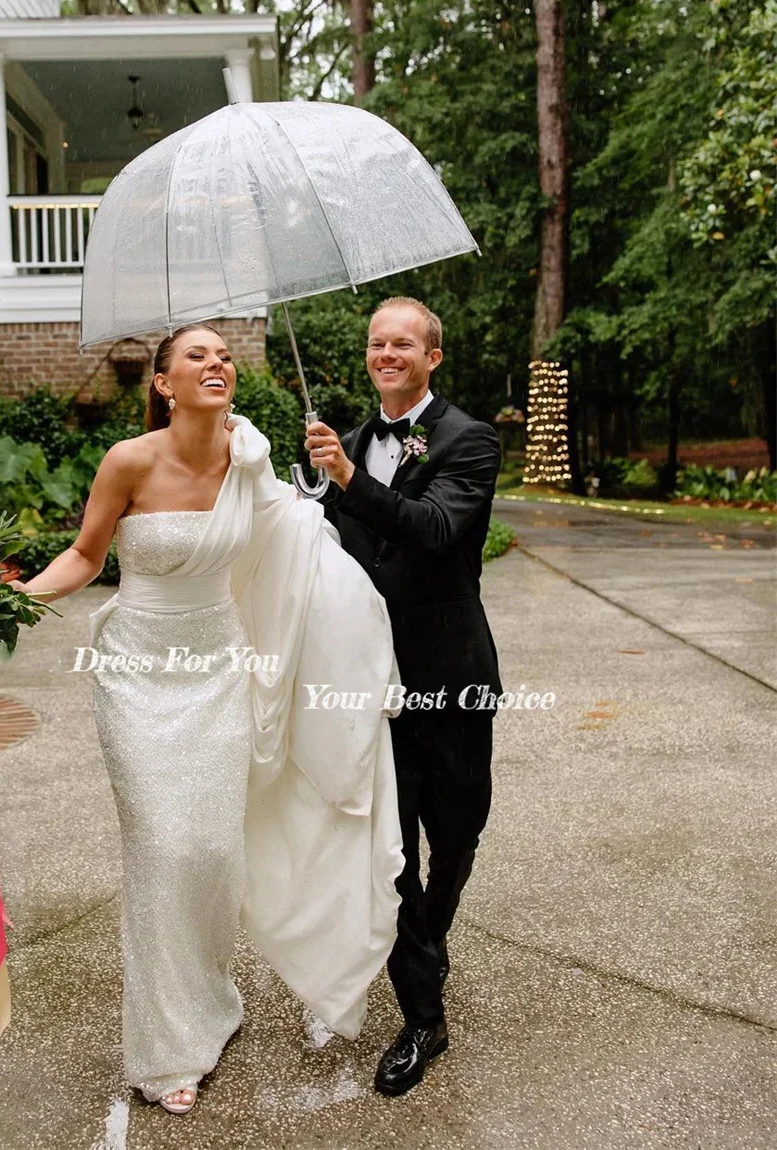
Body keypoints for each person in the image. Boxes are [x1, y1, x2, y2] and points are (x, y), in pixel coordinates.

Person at [11, 323, 404, 1115]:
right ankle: (165, 1050)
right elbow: (87, 556)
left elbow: (292, 538)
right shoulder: (128, 460)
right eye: (197, 355)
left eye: (225, 355)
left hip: (220, 673)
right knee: (164, 848)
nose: (217, 363)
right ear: (163, 383)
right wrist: (5, 604)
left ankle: (211, 1004)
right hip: (134, 675)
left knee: (213, 851)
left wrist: (329, 476)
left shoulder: (250, 457)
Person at [305, 295, 502, 1098]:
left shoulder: (470, 438)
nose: (386, 354)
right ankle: (424, 1015)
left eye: (402, 344)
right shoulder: (342, 442)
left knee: (454, 836)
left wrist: (350, 481)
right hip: (369, 686)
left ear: (432, 358)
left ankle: (427, 942)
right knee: (386, 853)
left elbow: (432, 529)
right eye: (376, 343)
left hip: (451, 677)